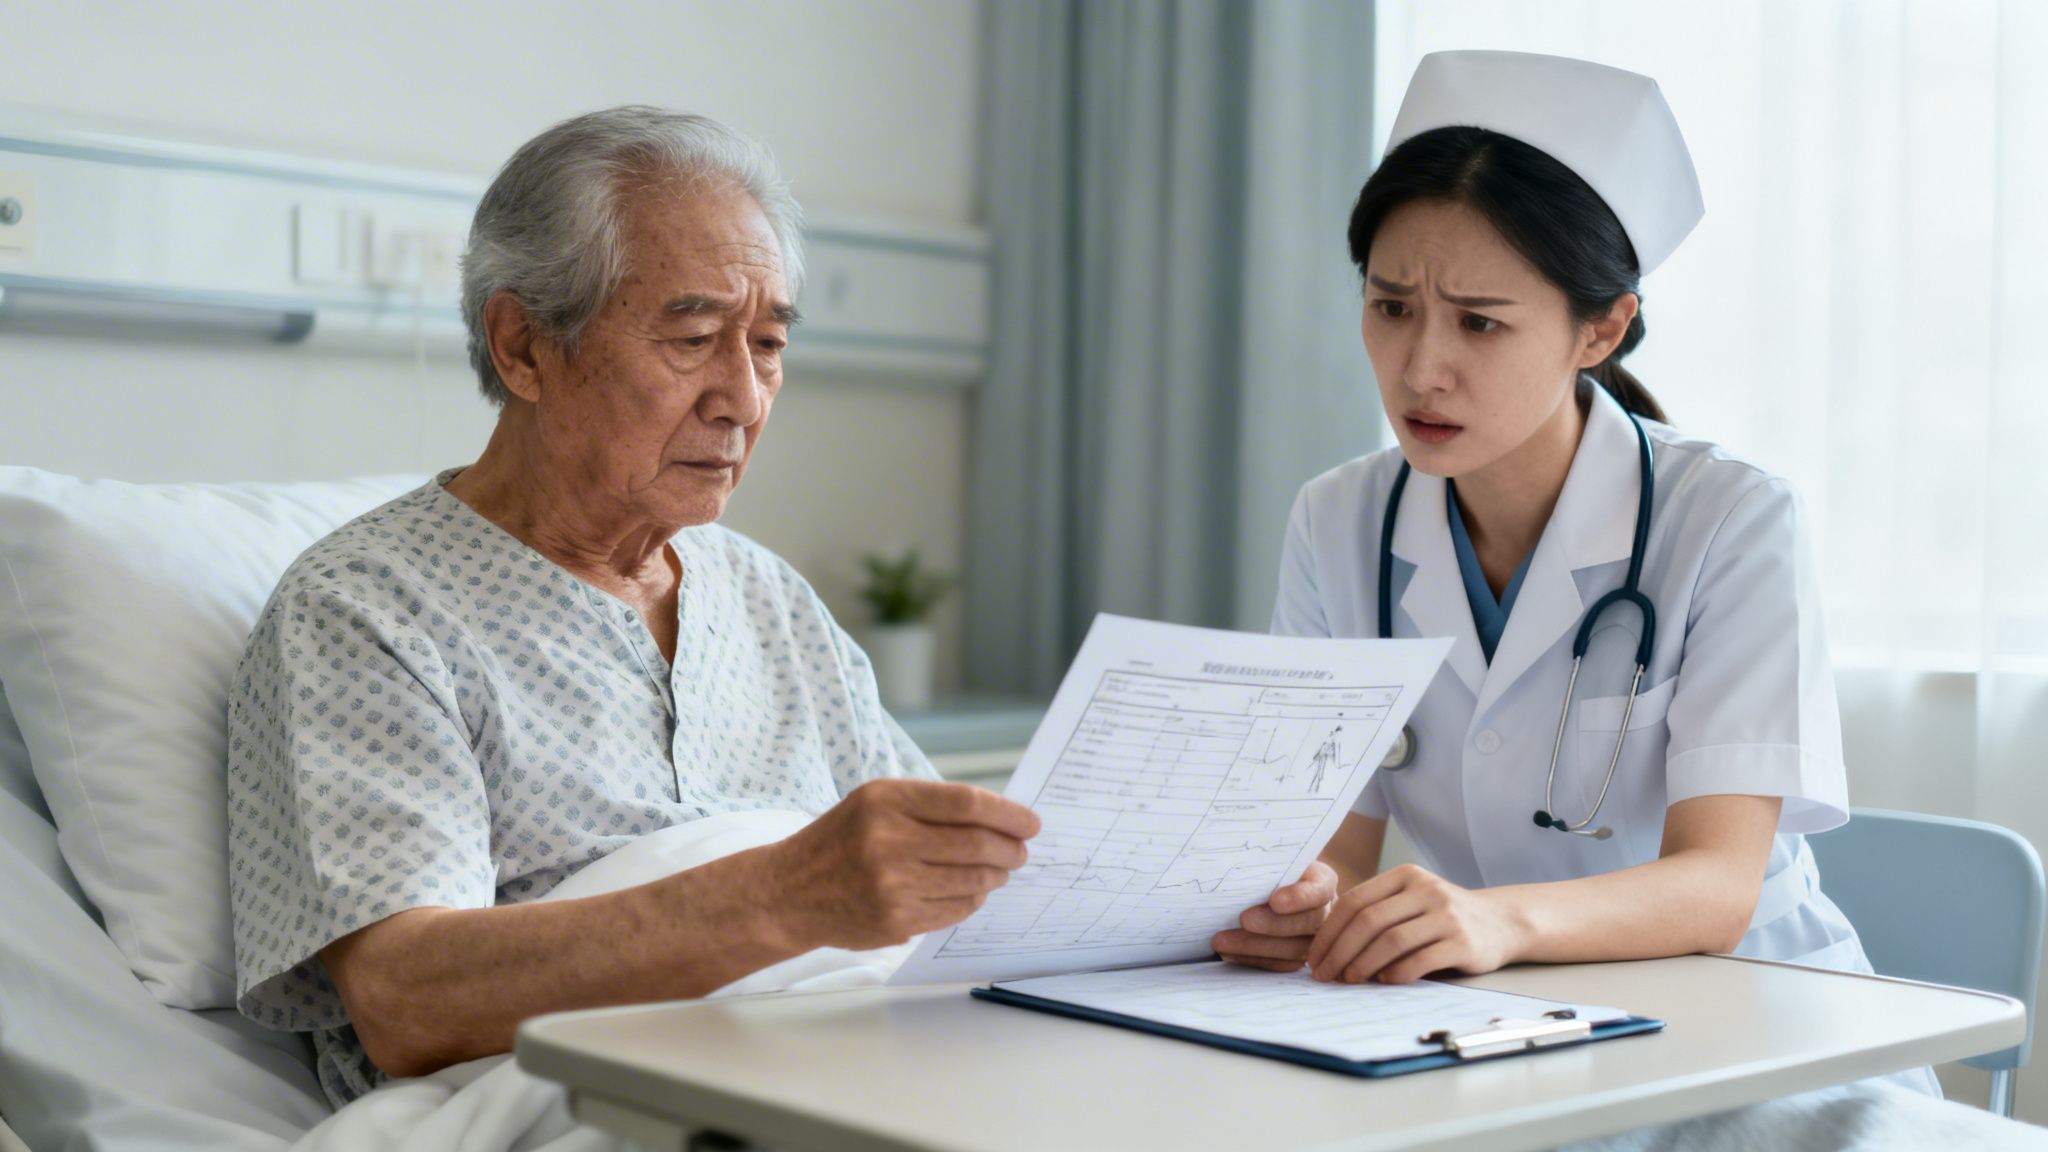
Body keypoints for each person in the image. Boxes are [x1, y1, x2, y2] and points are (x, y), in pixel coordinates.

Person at [225, 106, 1039, 1108]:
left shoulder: (766, 598)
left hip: (859, 1068)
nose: (742, 396)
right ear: (523, 346)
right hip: (584, 1103)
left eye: (770, 344)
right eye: (694, 337)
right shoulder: (370, 614)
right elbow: (406, 998)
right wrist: (785, 893)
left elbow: (957, 899)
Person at [1209, 51, 1936, 1097]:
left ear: (1599, 328)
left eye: (1478, 321)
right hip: (1494, 1026)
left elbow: (1717, 886)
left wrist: (1487, 918)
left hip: (1753, 1030)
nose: (1419, 368)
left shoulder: (1728, 519)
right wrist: (1298, 905)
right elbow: (1332, 854)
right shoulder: (1338, 520)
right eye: (1389, 306)